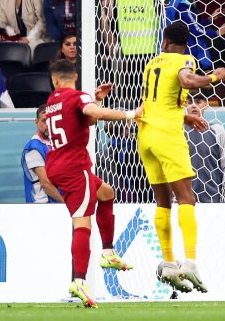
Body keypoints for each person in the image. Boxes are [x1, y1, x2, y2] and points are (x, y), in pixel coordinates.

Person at [137, 22, 225, 293]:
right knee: (187, 198)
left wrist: (185, 116)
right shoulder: (184, 59)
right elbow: (186, 80)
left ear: (163, 42)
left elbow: (160, 101)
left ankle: (168, 263)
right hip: (167, 136)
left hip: (146, 136)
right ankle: (189, 262)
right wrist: (214, 76)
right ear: (185, 44)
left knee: (162, 202)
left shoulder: (152, 62)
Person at [44, 59, 140, 308]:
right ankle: (79, 281)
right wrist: (131, 114)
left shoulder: (53, 100)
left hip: (56, 164)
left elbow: (88, 119)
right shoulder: (77, 96)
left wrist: (95, 100)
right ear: (74, 76)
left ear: (55, 80)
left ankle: (108, 253)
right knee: (81, 222)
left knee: (107, 193)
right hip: (75, 168)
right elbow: (94, 115)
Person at [184, 92, 225, 203]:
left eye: (198, 102)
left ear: (206, 104)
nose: (193, 106)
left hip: (213, 198)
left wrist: (224, 199)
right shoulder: (178, 132)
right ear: (185, 105)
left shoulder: (217, 130)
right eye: (190, 102)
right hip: (185, 200)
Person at [21, 104, 63, 204]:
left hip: (56, 203)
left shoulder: (56, 143)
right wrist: (65, 204)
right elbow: (45, 184)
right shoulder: (34, 148)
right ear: (36, 121)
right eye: (44, 121)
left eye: (51, 121)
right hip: (44, 206)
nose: (48, 125)